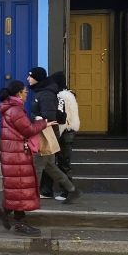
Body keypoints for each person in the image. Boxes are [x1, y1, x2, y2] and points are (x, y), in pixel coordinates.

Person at [0, 80, 56, 236]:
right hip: (17, 155)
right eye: (25, 91)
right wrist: (43, 124)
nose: (27, 93)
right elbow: (28, 130)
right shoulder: (16, 110)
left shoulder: (11, 108)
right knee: (21, 188)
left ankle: (4, 210)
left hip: (13, 154)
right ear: (19, 93)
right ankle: (19, 223)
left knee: (18, 187)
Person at [28, 67, 82, 203]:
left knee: (37, 165)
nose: (28, 79)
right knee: (50, 166)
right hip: (47, 133)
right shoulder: (42, 92)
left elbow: (49, 117)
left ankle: (30, 195)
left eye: (30, 76)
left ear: (37, 78)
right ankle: (72, 189)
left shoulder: (45, 94)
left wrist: (32, 118)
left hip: (45, 134)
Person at [40, 71, 80, 199]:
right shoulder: (70, 95)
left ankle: (61, 191)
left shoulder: (61, 96)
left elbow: (61, 116)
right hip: (70, 131)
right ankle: (63, 190)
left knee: (55, 162)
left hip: (63, 132)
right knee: (62, 162)